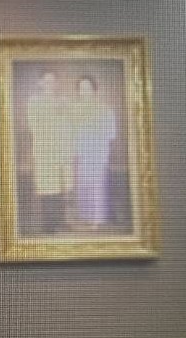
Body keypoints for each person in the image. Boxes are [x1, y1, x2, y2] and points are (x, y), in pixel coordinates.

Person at [24, 70, 74, 234]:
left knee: (62, 187)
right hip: (45, 149)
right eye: (46, 81)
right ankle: (48, 225)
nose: (50, 84)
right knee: (47, 187)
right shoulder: (34, 102)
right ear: (40, 83)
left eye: (53, 81)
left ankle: (61, 221)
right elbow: (34, 125)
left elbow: (69, 124)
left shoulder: (63, 101)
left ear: (56, 83)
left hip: (62, 149)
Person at [70, 75, 117, 230]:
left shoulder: (104, 109)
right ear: (78, 91)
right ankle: (85, 217)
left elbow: (111, 134)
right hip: (81, 152)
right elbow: (72, 133)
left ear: (94, 90)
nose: (85, 91)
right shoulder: (75, 110)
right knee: (83, 185)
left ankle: (97, 219)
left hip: (98, 151)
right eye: (81, 88)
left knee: (97, 185)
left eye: (88, 88)